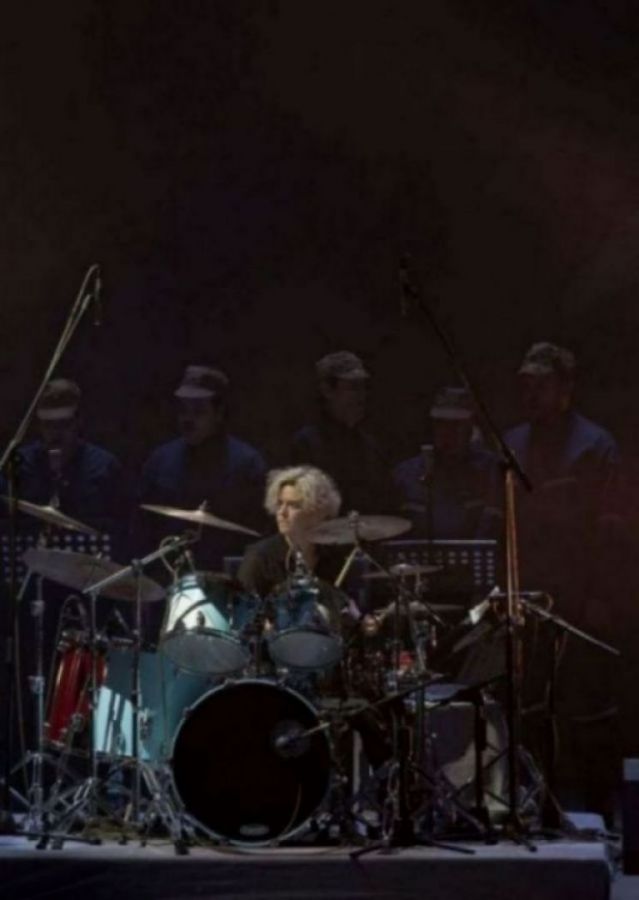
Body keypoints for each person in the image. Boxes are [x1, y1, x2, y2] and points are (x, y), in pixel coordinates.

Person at [504, 342, 625, 823]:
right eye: (525, 384)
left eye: (541, 384)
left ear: (565, 388)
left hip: (581, 594)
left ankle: (598, 809)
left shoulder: (595, 445)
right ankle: (535, 806)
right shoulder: (512, 443)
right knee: (530, 704)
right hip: (528, 595)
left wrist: (600, 595)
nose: (531, 393)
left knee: (586, 708)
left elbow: (611, 528)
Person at [136, 365, 268, 572]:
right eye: (183, 410)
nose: (187, 419)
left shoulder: (247, 464)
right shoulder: (160, 461)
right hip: (168, 575)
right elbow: (142, 527)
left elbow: (261, 535)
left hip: (228, 578)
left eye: (198, 411)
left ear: (219, 413)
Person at [2, 378, 127, 542]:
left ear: (78, 422)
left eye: (64, 424)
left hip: (87, 556)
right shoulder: (18, 464)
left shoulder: (105, 466)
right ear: (39, 426)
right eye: (48, 425)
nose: (56, 433)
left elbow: (123, 528)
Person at [290, 351, 395, 515]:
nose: (362, 397)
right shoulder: (306, 445)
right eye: (353, 388)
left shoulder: (370, 447)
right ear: (327, 391)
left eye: (363, 388)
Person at [393, 386, 500, 541]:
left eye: (456, 425)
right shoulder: (406, 474)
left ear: (470, 428)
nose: (448, 433)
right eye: (441, 424)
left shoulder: (490, 470)